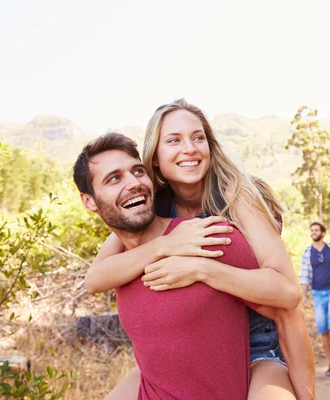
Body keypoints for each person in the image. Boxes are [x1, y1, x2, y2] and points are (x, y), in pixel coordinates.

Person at [85, 100, 315, 399]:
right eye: (173, 140)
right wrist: (164, 245)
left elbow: (288, 295)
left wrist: (201, 269)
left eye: (198, 137)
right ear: (154, 157)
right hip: (193, 353)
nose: (190, 148)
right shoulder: (150, 206)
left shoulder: (237, 195)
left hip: (256, 343)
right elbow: (95, 278)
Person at [73, 133, 264, 399]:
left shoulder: (207, 236)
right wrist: (164, 246)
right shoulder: (118, 264)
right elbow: (92, 281)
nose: (133, 183)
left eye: (138, 171)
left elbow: (285, 310)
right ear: (89, 201)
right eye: (114, 178)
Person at [300, 222, 330, 379]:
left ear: (322, 233)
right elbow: (305, 275)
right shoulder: (308, 252)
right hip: (317, 294)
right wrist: (303, 296)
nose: (313, 232)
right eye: (312, 230)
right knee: (323, 330)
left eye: (316, 230)